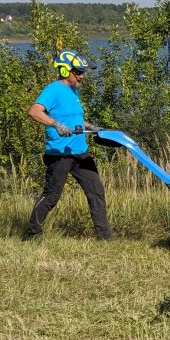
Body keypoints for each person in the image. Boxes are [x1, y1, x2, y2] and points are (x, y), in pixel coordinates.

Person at [25, 49, 113, 240]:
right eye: (79, 72)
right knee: (52, 195)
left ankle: (105, 237)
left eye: (83, 72)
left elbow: (73, 118)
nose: (82, 76)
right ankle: (33, 234)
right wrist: (55, 124)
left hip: (80, 152)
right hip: (59, 154)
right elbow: (34, 111)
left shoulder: (73, 91)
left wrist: (91, 126)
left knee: (96, 190)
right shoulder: (53, 90)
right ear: (66, 71)